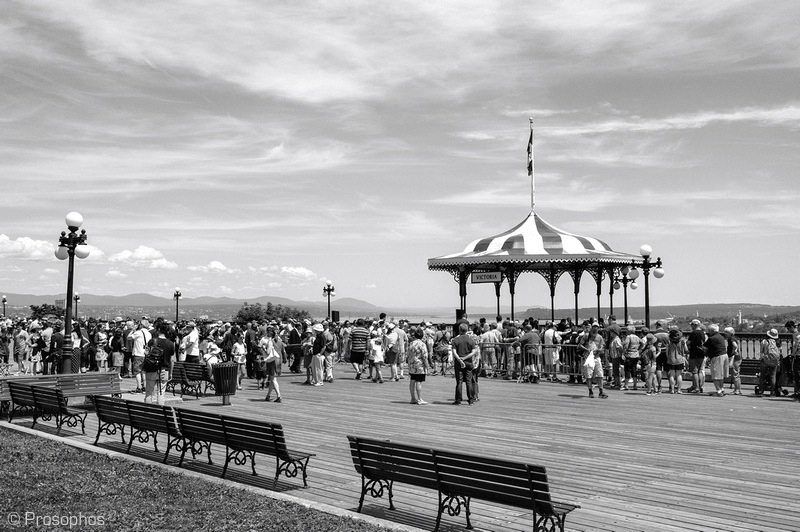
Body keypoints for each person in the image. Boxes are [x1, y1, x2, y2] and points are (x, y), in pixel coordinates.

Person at [143, 321, 174, 405]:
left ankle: (148, 411)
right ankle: (160, 411)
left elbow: (146, 354)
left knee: (149, 392)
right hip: (164, 369)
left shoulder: (152, 341)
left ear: (158, 330)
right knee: (161, 393)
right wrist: (171, 372)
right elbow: (171, 360)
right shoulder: (170, 344)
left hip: (151, 368)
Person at [451, 322, 478, 405]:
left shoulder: (455, 340)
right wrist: (465, 358)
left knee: (459, 381)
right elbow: (474, 352)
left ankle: (458, 399)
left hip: (459, 364)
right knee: (469, 381)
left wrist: (460, 359)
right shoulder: (471, 340)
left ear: (459, 330)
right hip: (468, 363)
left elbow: (454, 352)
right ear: (467, 330)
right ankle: (471, 399)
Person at [406, 327, 430, 404]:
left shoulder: (411, 343)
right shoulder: (422, 344)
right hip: (419, 365)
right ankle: (419, 399)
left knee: (412, 381)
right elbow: (425, 357)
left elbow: (408, 354)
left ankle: (413, 398)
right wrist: (427, 366)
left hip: (412, 364)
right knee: (418, 381)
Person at [260, 326, 283, 402]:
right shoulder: (279, 340)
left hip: (272, 361)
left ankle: (279, 395)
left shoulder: (271, 341)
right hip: (278, 360)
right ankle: (268, 395)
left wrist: (264, 347)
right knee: (272, 378)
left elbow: (268, 352)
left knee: (273, 379)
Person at [686, 319, 707, 394]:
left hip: (694, 353)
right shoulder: (702, 333)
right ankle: (700, 386)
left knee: (694, 371)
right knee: (700, 371)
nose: (691, 326)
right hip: (701, 353)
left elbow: (688, 342)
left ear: (694, 325)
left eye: (691, 325)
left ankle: (696, 387)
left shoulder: (694, 333)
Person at [758, 329, 781, 396]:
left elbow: (761, 352)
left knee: (762, 376)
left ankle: (760, 390)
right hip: (774, 362)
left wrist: (762, 358)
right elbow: (780, 353)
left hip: (765, 360)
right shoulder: (778, 342)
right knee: (773, 376)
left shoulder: (764, 341)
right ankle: (772, 392)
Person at [665, 328, 687, 394]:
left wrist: (668, 357)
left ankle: (672, 389)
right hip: (680, 359)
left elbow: (667, 352)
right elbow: (686, 349)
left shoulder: (669, 342)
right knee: (679, 375)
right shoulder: (682, 341)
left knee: (672, 374)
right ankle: (679, 389)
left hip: (671, 359)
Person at [621, 325, 641, 391]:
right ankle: (635, 385)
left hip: (629, 354)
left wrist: (623, 353)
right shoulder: (637, 337)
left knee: (627, 370)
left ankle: (626, 385)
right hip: (636, 354)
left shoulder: (628, 337)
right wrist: (638, 349)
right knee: (634, 369)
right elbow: (642, 343)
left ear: (629, 331)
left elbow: (626, 345)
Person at [723, 327, 741, 395]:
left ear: (730, 333)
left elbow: (735, 346)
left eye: (726, 333)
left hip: (734, 358)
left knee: (735, 374)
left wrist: (734, 352)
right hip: (737, 357)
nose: (725, 334)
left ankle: (737, 390)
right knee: (736, 374)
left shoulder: (731, 339)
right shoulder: (732, 338)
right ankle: (737, 389)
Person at [786, 321, 800, 400]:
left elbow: (795, 346)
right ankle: (796, 391)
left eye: (788, 329)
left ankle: (797, 392)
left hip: (797, 356)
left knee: (797, 374)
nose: (788, 331)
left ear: (791, 327)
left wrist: (793, 354)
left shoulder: (796, 335)